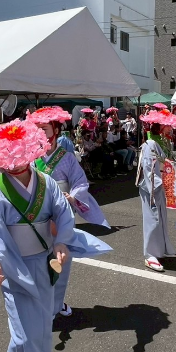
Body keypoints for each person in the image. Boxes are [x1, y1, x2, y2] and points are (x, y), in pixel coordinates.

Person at [0, 119, 111, 352]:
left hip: (46, 265)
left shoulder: (46, 183)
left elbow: (62, 213)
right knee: (23, 335)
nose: (14, 161)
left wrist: (61, 240)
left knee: (41, 332)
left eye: (19, 154)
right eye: (8, 156)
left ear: (28, 150)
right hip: (15, 268)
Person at [27, 106, 111, 318]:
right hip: (37, 215)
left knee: (61, 259)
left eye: (44, 129)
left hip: (61, 214)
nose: (40, 133)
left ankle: (56, 303)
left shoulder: (67, 157)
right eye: (37, 129)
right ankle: (40, 303)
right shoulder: (31, 156)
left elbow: (80, 182)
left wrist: (73, 197)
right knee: (37, 260)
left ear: (55, 130)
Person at [137, 109, 176, 271]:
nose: (171, 128)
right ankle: (150, 254)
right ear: (160, 126)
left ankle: (158, 250)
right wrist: (160, 185)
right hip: (152, 187)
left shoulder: (163, 142)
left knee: (160, 218)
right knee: (153, 218)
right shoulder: (150, 143)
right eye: (168, 125)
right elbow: (149, 169)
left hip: (161, 184)